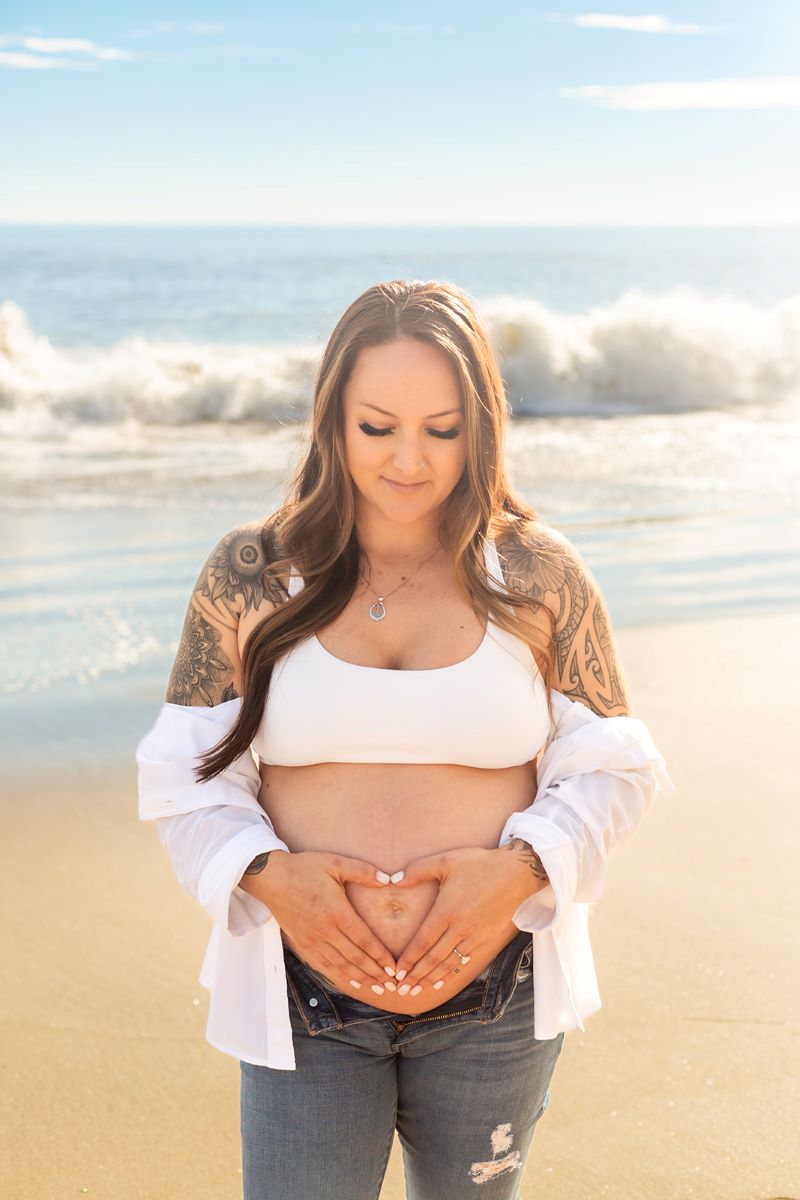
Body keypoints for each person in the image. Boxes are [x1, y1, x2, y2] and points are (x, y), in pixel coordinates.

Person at [136, 278, 674, 1200]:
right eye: (377, 426)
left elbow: (614, 764)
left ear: (483, 426)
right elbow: (185, 774)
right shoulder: (252, 574)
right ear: (331, 420)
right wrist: (271, 880)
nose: (409, 462)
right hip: (302, 990)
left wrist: (523, 870)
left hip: (495, 993)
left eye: (443, 427)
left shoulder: (537, 572)